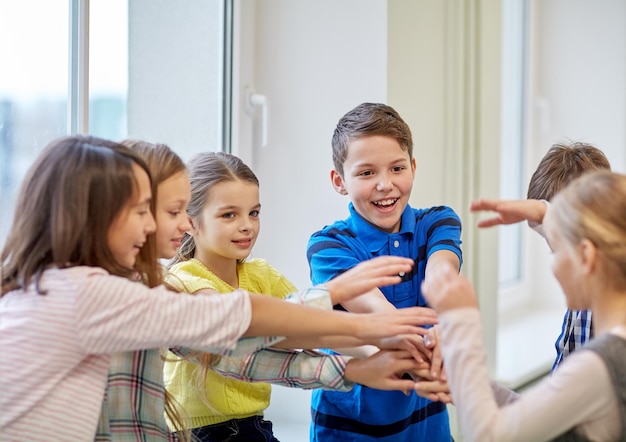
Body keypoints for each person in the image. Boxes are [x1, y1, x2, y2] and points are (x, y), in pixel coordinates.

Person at [0, 135, 439, 440]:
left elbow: (239, 349)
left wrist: (362, 356)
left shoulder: (101, 288)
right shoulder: (88, 293)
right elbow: (235, 322)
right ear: (91, 214)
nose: (161, 225)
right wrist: (362, 319)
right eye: (146, 211)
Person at [162, 152, 428, 441]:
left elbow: (312, 328)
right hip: (194, 435)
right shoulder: (183, 281)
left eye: (254, 212)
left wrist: (390, 356)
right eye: (229, 214)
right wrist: (339, 297)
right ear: (190, 221)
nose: (247, 225)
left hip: (254, 427)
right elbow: (240, 332)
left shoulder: (261, 275)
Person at [421, 170, 626, 441]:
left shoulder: (600, 363)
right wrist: (470, 386)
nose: (553, 267)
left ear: (586, 256)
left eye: (556, 251)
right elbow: (540, 419)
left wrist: (461, 321)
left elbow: (486, 436)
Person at [306, 102, 463, 441]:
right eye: (366, 173)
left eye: (396, 168)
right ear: (339, 180)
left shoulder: (439, 222)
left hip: (427, 428)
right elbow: (381, 317)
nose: (385, 184)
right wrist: (431, 340)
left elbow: (442, 276)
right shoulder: (327, 245)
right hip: (348, 429)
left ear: (413, 167)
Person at [472, 141, 611, 370]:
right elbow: (556, 400)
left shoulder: (607, 320)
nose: (555, 267)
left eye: (559, 249)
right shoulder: (580, 306)